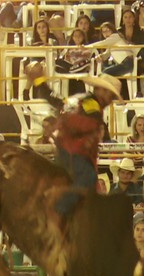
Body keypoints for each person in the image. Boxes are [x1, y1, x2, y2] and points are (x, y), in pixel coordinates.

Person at [29, 63, 122, 216]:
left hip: (63, 149)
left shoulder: (78, 99)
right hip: (75, 153)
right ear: (101, 90)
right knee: (89, 178)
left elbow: (55, 100)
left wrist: (40, 82)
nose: (110, 100)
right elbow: (86, 123)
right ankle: (58, 210)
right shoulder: (93, 106)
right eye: (110, 95)